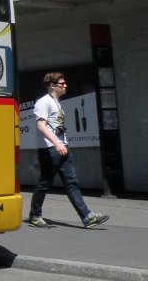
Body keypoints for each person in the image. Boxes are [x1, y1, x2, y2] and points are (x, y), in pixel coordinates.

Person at [27, 72, 109, 228]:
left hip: (62, 147)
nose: (65, 86)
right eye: (62, 83)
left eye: (65, 83)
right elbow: (41, 126)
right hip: (50, 149)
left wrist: (62, 144)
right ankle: (35, 216)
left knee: (72, 183)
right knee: (44, 183)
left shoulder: (56, 103)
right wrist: (57, 144)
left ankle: (87, 217)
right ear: (52, 85)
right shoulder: (43, 102)